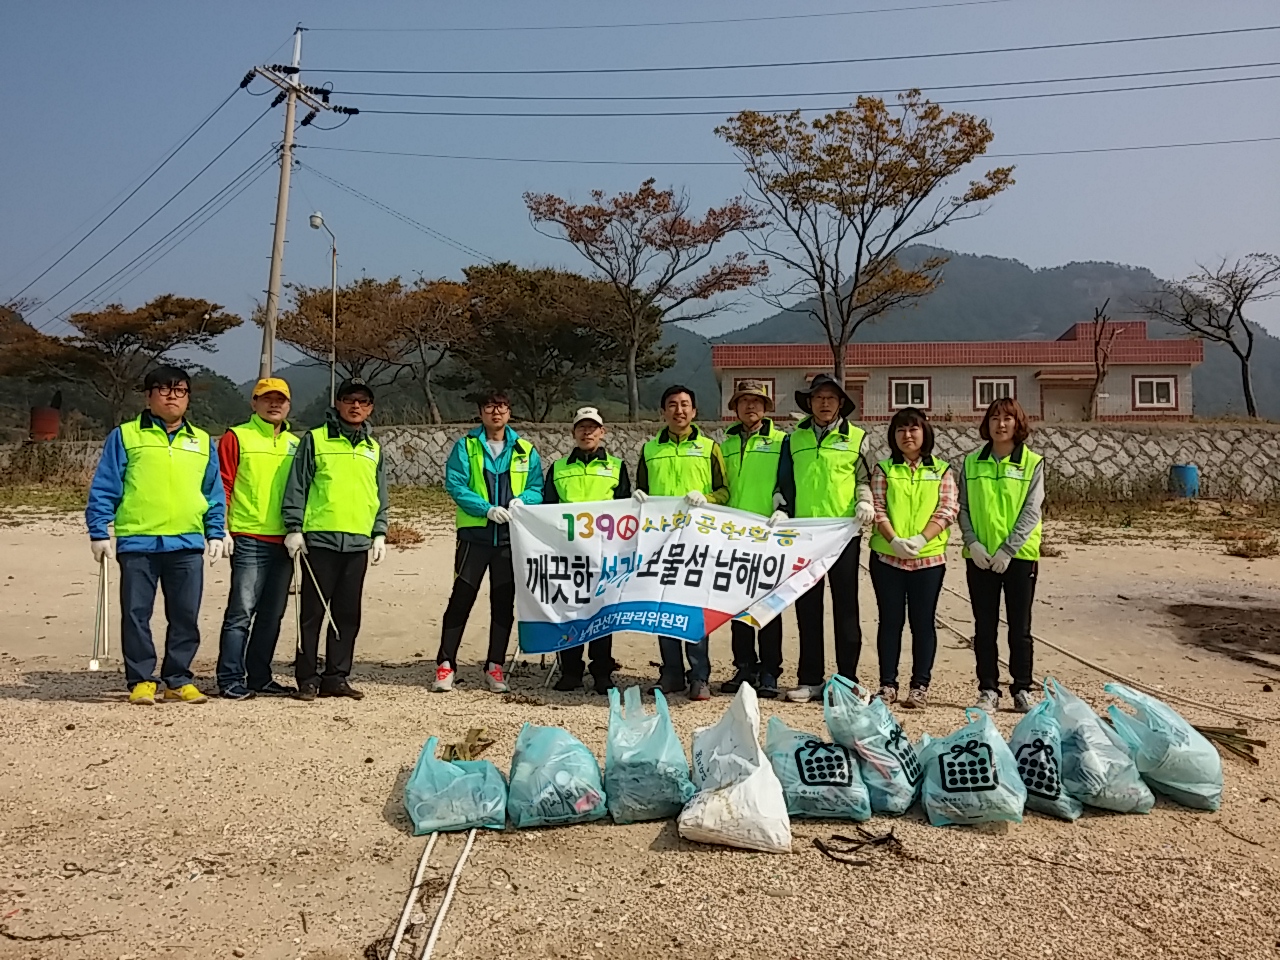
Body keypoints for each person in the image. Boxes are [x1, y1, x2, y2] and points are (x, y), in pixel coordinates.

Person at [85, 365, 229, 705]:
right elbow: (106, 485)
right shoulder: (126, 436)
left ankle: (177, 678)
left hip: (187, 543)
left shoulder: (202, 441)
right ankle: (141, 679)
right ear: (149, 395)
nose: (171, 397)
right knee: (136, 614)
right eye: (163, 390)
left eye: (179, 391)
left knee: (185, 615)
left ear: (188, 398)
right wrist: (98, 531)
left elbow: (213, 492)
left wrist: (216, 532)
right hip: (139, 541)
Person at [281, 377, 389, 702]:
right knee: (313, 612)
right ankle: (307, 678)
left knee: (347, 613)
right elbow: (298, 483)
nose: (356, 406)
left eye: (363, 401)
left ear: (370, 408)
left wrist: (380, 531)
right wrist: (293, 526)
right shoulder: (315, 440)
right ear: (338, 403)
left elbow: (379, 492)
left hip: (358, 542)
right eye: (349, 399)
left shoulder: (373, 448)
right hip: (321, 540)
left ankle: (337, 676)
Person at [433, 390, 544, 694]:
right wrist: (485, 509)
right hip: (474, 535)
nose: (496, 413)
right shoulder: (466, 446)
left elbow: (537, 487)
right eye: (490, 407)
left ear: (510, 412)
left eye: (502, 407)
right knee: (461, 600)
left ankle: (495, 666)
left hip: (510, 539)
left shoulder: (524, 449)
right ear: (481, 413)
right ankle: (445, 665)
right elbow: (455, 483)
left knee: (503, 604)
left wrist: (523, 500)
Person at [777, 373, 875, 702]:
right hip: (805, 535)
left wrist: (865, 500)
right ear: (810, 402)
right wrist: (782, 509)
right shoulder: (794, 438)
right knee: (808, 608)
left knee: (846, 607)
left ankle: (847, 680)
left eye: (831, 398)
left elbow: (865, 478)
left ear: (841, 403)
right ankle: (810, 678)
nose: (825, 403)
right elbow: (785, 483)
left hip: (842, 535)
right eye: (819, 397)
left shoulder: (857, 438)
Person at [633, 384, 729, 701]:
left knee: (693, 610)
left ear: (695, 411)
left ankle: (699, 676)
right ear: (663, 412)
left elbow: (725, 493)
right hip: (660, 542)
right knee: (663, 608)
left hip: (698, 542)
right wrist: (639, 500)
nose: (679, 410)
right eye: (672, 404)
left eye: (685, 404)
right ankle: (671, 673)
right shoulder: (649, 451)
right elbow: (641, 493)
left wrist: (707, 498)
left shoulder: (709, 448)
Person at [867, 407, 959, 711]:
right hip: (887, 559)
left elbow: (947, 509)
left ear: (924, 433)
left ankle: (919, 686)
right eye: (900, 430)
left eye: (913, 429)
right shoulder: (884, 469)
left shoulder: (941, 470)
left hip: (928, 560)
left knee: (923, 623)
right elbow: (877, 507)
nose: (907, 435)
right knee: (890, 621)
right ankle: (887, 684)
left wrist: (922, 539)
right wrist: (893, 539)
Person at [214, 378, 299, 700]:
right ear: (254, 403)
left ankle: (259, 676)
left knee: (272, 613)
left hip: (285, 539)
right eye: (266, 399)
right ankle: (230, 678)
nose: (274, 404)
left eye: (280, 399)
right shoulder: (237, 436)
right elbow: (223, 483)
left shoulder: (295, 443)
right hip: (248, 535)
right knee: (241, 610)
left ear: (289, 405)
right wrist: (221, 528)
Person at [958, 397, 1044, 715]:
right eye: (994, 418)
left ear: (1017, 423)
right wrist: (973, 543)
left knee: (1019, 627)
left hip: (1019, 557)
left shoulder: (1033, 462)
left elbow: (1031, 511)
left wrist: (1008, 549)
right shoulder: (971, 462)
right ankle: (988, 688)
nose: (1001, 424)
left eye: (1007, 418)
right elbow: (963, 508)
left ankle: (1022, 687)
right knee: (985, 626)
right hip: (979, 557)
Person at [542, 406, 630, 694]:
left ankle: (602, 672)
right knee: (569, 613)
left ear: (602, 432)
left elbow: (625, 511)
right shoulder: (558, 468)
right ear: (573, 432)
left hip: (604, 555)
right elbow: (547, 511)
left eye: (593, 427)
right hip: (568, 555)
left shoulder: (617, 467)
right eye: (582, 427)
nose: (587, 432)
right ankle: (571, 671)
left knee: (601, 614)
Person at [718, 379, 788, 699]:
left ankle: (770, 670)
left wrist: (781, 504)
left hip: (769, 534)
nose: (751, 407)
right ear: (735, 407)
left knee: (769, 605)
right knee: (738, 606)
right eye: (744, 401)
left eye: (757, 402)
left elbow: (787, 480)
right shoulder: (725, 444)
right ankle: (744, 665)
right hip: (733, 536)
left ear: (766, 407)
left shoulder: (781, 441)